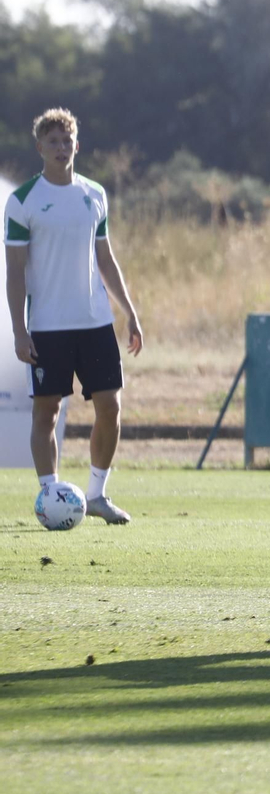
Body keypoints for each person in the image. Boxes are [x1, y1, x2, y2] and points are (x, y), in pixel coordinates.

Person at [5, 108, 144, 524]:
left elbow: (106, 258)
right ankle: (49, 494)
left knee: (110, 406)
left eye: (67, 141)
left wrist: (129, 312)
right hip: (47, 325)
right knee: (46, 412)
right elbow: (13, 272)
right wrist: (19, 331)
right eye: (53, 142)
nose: (61, 148)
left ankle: (97, 494)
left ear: (77, 145)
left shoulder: (95, 194)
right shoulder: (23, 201)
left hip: (95, 322)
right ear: (40, 149)